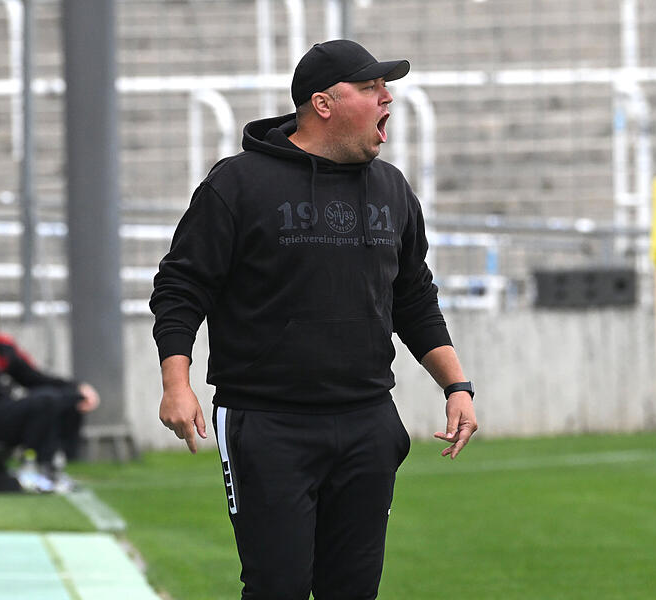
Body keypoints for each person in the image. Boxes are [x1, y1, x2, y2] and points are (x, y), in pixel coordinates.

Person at [150, 39, 478, 599]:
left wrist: (456, 384)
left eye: (386, 87)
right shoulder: (237, 184)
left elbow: (414, 297)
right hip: (267, 423)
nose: (387, 99)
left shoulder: (392, 188)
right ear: (323, 104)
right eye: (372, 87)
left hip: (367, 420)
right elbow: (181, 287)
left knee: (352, 590)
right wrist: (175, 384)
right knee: (277, 587)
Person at [0, 299, 100, 490]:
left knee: (59, 399)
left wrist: (76, 388)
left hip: (1, 419)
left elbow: (33, 377)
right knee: (44, 400)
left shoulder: (3, 348)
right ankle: (36, 468)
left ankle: (48, 466)